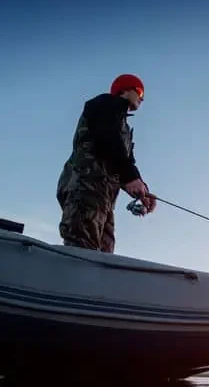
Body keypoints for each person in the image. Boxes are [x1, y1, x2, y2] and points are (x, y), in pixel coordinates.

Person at [56, 73, 157, 253]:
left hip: (105, 198)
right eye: (139, 92)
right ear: (124, 89)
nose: (142, 99)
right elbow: (107, 137)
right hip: (87, 188)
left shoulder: (123, 128)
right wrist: (130, 176)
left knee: (103, 255)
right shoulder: (105, 104)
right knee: (82, 248)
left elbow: (124, 161)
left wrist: (142, 190)